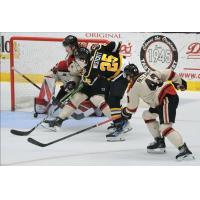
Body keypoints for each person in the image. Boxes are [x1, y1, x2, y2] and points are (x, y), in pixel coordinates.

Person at [120, 64, 194, 160]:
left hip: (166, 100)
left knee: (165, 128)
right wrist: (179, 82)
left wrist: (124, 112)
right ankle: (159, 142)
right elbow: (169, 73)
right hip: (164, 99)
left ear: (129, 75)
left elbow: (132, 108)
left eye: (126, 75)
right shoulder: (149, 72)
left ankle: (184, 150)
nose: (126, 78)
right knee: (147, 115)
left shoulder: (133, 88)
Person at [42, 47, 111, 131]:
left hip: (99, 83)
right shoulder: (77, 64)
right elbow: (77, 76)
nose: (75, 60)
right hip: (87, 84)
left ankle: (118, 121)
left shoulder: (95, 63)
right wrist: (72, 83)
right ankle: (58, 121)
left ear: (82, 58)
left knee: (96, 99)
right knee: (75, 98)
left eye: (77, 57)